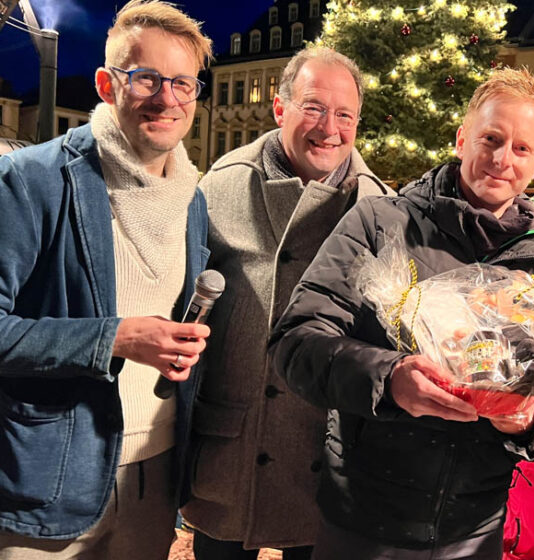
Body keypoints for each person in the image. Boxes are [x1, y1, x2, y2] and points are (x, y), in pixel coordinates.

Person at [269, 67, 534, 559]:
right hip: (365, 522)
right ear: (461, 138)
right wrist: (389, 379)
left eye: (520, 148)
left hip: (474, 532)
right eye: (490, 138)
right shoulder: (380, 223)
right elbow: (295, 341)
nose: (500, 160)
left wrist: (529, 425)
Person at [0, 1, 213, 558]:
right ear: (106, 82)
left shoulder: (192, 199)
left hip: (155, 476)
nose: (167, 98)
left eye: (183, 83)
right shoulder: (31, 180)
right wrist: (115, 338)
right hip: (47, 480)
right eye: (146, 78)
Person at [180, 47, 391, 560]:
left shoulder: (379, 206)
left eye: (345, 114)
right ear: (280, 109)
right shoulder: (224, 183)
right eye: (314, 107)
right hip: (232, 442)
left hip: (324, 454)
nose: (330, 128)